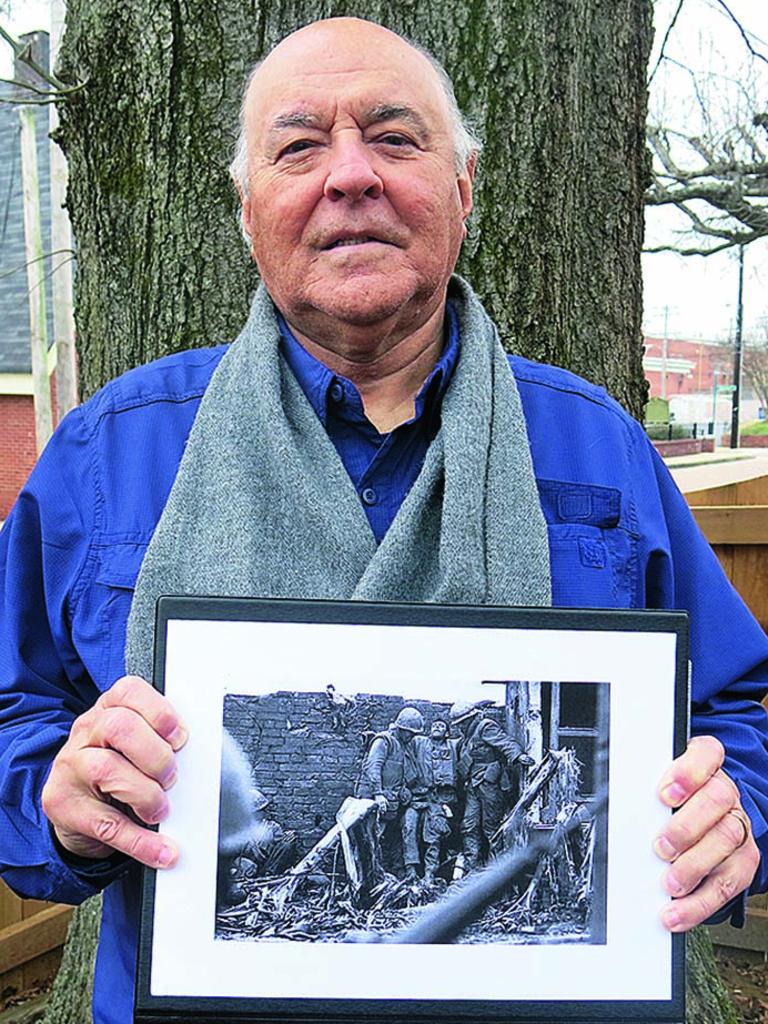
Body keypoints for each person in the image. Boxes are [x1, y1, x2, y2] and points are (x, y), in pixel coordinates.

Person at [0, 16, 766, 1024]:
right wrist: (58, 798)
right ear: (247, 209)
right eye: (300, 143)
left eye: (395, 137)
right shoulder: (113, 453)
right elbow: (13, 712)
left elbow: (742, 711)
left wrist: (737, 808)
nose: (349, 174)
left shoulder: (598, 449)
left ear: (463, 189)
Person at [452, 701, 534, 868]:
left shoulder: (485, 726)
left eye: (462, 722)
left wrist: (518, 756)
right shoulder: (465, 739)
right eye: (458, 724)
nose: (460, 726)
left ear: (471, 718)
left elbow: (505, 742)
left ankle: (499, 869)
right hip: (473, 786)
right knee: (469, 826)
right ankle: (471, 867)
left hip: (490, 785)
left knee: (491, 828)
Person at [356, 706, 424, 876]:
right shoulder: (383, 741)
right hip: (372, 799)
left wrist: (403, 790)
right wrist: (378, 793)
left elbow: (399, 773)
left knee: (391, 838)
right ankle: (365, 877)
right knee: (369, 839)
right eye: (410, 732)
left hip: (390, 802)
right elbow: (373, 767)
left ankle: (392, 874)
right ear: (401, 728)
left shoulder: (403, 746)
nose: (412, 737)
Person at [405, 718, 462, 883]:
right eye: (434, 725)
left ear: (447, 732)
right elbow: (400, 740)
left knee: (434, 833)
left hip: (440, 799)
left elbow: (470, 741)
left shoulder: (453, 745)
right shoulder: (419, 742)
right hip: (417, 797)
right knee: (409, 827)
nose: (437, 727)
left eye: (441, 726)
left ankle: (430, 872)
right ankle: (411, 871)